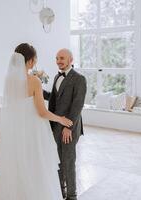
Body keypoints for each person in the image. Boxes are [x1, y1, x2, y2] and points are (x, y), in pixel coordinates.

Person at [0, 43, 71, 200]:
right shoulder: (34, 81)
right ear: (30, 61)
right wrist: (60, 119)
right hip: (33, 130)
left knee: (18, 164)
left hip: (16, 130)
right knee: (36, 164)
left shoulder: (8, 80)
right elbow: (42, 112)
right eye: (35, 59)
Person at [43, 49, 87, 200]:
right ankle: (61, 191)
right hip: (56, 125)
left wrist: (68, 127)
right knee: (58, 160)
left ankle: (72, 195)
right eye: (56, 58)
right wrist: (37, 89)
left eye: (62, 58)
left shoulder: (79, 79)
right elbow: (54, 99)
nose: (58, 61)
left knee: (68, 161)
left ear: (71, 59)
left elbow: (77, 105)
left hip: (70, 127)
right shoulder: (57, 76)